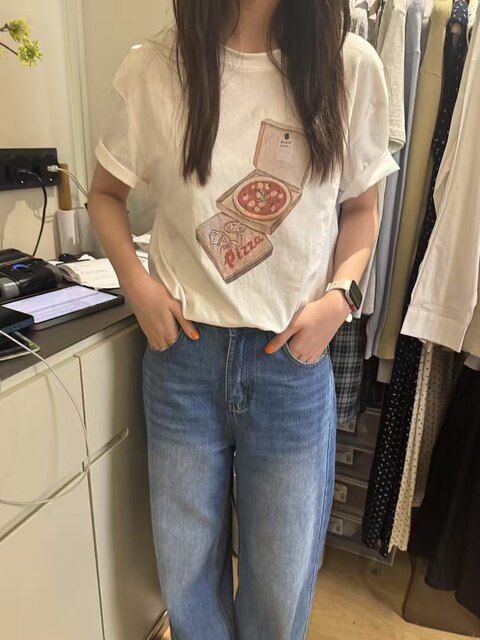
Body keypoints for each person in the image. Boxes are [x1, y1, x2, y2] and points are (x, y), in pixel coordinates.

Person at [88, 1, 397, 638]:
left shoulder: (349, 66)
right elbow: (105, 194)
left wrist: (340, 298)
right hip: (184, 362)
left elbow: (362, 209)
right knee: (186, 582)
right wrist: (138, 286)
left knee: (280, 590)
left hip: (290, 365)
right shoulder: (158, 68)